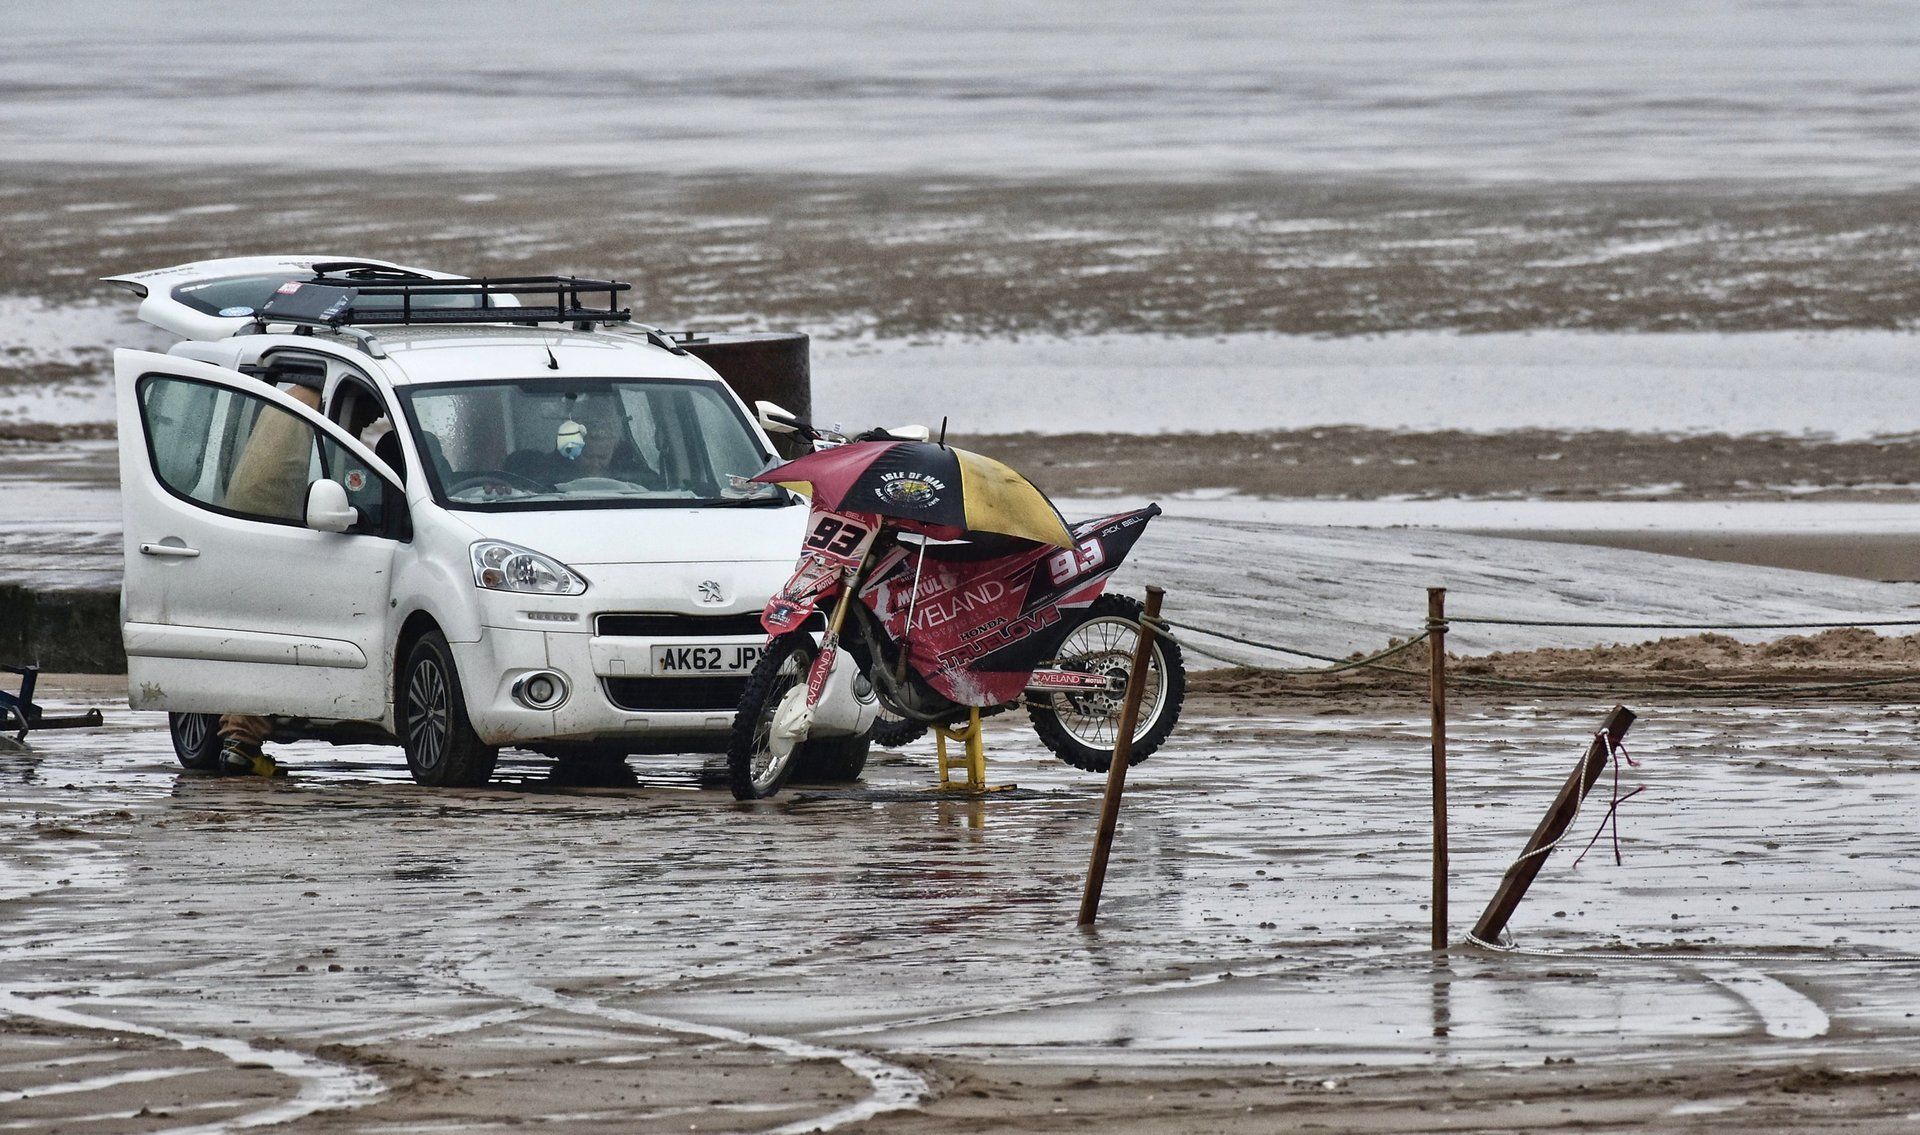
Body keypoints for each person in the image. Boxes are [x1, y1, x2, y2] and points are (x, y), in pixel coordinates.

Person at [214, 372, 325, 777]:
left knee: (256, 638)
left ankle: (238, 742)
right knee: (276, 638)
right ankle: (242, 744)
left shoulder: (288, 404)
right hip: (275, 529)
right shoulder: (314, 408)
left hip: (248, 525)